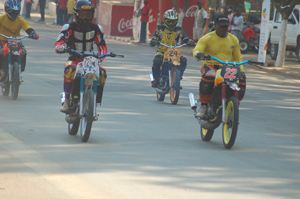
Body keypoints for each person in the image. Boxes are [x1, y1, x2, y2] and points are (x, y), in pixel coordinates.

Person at [54, 0, 107, 113]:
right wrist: (61, 47)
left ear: (92, 14)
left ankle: (95, 102)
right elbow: (59, 42)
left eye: (88, 15)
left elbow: (102, 46)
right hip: (74, 60)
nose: (85, 18)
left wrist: (100, 58)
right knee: (70, 70)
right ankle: (67, 100)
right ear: (76, 14)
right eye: (82, 14)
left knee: (102, 73)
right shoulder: (69, 27)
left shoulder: (97, 28)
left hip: (91, 61)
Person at [192, 15, 246, 118]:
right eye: (221, 26)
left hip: (227, 68)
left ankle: (234, 104)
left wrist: (241, 70)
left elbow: (238, 58)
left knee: (242, 78)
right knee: (209, 77)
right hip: (210, 66)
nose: (223, 29)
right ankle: (203, 106)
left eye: (225, 27)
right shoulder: (207, 38)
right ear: (215, 26)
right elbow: (197, 49)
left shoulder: (233, 39)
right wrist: (199, 54)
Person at [149, 9, 195, 87]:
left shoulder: (178, 30)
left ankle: (178, 78)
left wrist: (190, 42)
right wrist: (153, 41)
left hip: (174, 52)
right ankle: (156, 79)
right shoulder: (159, 29)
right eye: (169, 21)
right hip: (161, 51)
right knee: (156, 61)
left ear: (176, 21)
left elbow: (186, 38)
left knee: (183, 60)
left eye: (173, 21)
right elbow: (154, 38)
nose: (171, 23)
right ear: (165, 20)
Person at [0, 0, 39, 81]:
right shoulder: (1, 18)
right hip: (2, 40)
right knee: (2, 51)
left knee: (23, 52)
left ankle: (19, 70)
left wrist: (33, 34)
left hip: (15, 41)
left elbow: (28, 28)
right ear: (7, 10)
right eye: (12, 11)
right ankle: (1, 70)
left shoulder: (20, 20)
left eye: (16, 11)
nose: (14, 14)